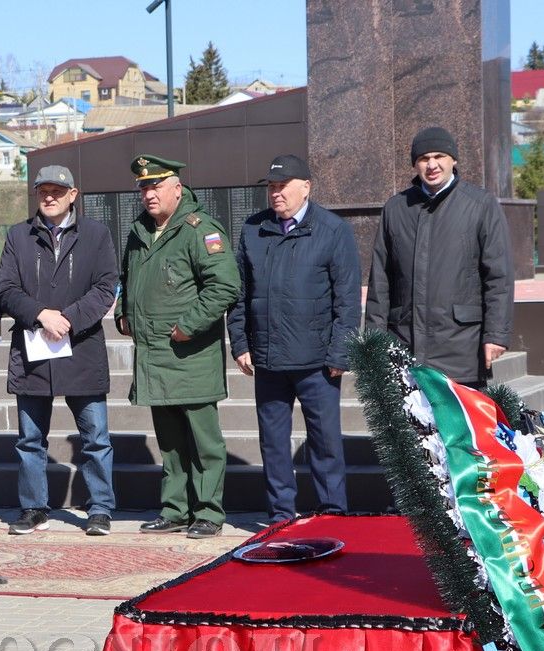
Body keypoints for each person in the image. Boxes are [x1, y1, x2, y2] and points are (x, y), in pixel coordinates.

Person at [227, 154, 361, 523]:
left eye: (282, 186)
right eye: (271, 187)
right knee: (273, 444)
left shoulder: (333, 231)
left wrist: (340, 354)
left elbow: (347, 299)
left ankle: (333, 512)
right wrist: (240, 344)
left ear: (306, 187)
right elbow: (239, 294)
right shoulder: (253, 229)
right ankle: (280, 516)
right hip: (268, 360)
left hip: (317, 362)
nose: (275, 194)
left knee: (325, 442)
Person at [116, 155, 241, 539]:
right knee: (170, 442)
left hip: (189, 355)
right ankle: (175, 510)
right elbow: (128, 279)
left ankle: (208, 512)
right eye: (143, 187)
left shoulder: (199, 229)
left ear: (177, 188)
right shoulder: (140, 231)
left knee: (203, 441)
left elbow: (224, 286)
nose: (148, 194)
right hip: (154, 356)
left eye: (155, 186)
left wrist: (188, 326)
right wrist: (125, 313)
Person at [0, 165, 118, 536]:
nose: (49, 197)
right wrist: (40, 315)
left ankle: (99, 508)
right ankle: (34, 507)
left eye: (57, 190)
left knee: (95, 439)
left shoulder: (96, 235)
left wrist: (67, 319)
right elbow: (5, 288)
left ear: (73, 194)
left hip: (80, 348)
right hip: (33, 353)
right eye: (42, 191)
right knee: (30, 440)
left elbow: (105, 285)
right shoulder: (18, 236)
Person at [365, 126, 514, 388]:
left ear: (453, 160)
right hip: (404, 345)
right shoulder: (396, 208)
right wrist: (374, 340)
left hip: (461, 347)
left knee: (460, 429)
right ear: (415, 165)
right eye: (424, 159)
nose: (432, 165)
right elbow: (381, 280)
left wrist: (495, 334)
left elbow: (498, 277)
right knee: (412, 429)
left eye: (439, 157)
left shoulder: (480, 205)